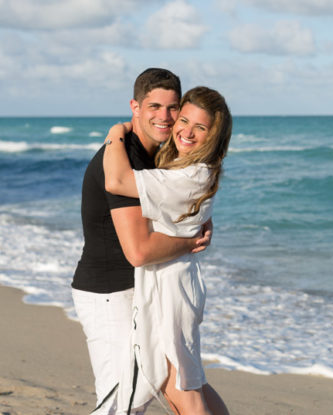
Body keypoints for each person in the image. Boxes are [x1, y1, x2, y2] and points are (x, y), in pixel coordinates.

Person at [71, 68, 212, 415]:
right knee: (122, 400)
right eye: (154, 106)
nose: (164, 116)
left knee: (181, 381)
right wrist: (190, 241)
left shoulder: (157, 157)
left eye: (172, 107)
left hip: (143, 291)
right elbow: (138, 251)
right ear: (135, 106)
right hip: (109, 293)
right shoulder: (125, 159)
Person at [99, 86, 232, 415]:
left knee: (179, 387)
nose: (186, 131)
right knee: (189, 381)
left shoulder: (188, 175)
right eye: (183, 120)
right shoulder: (190, 169)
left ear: (214, 135)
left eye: (200, 128)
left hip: (170, 287)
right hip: (177, 282)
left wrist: (116, 132)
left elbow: (116, 181)